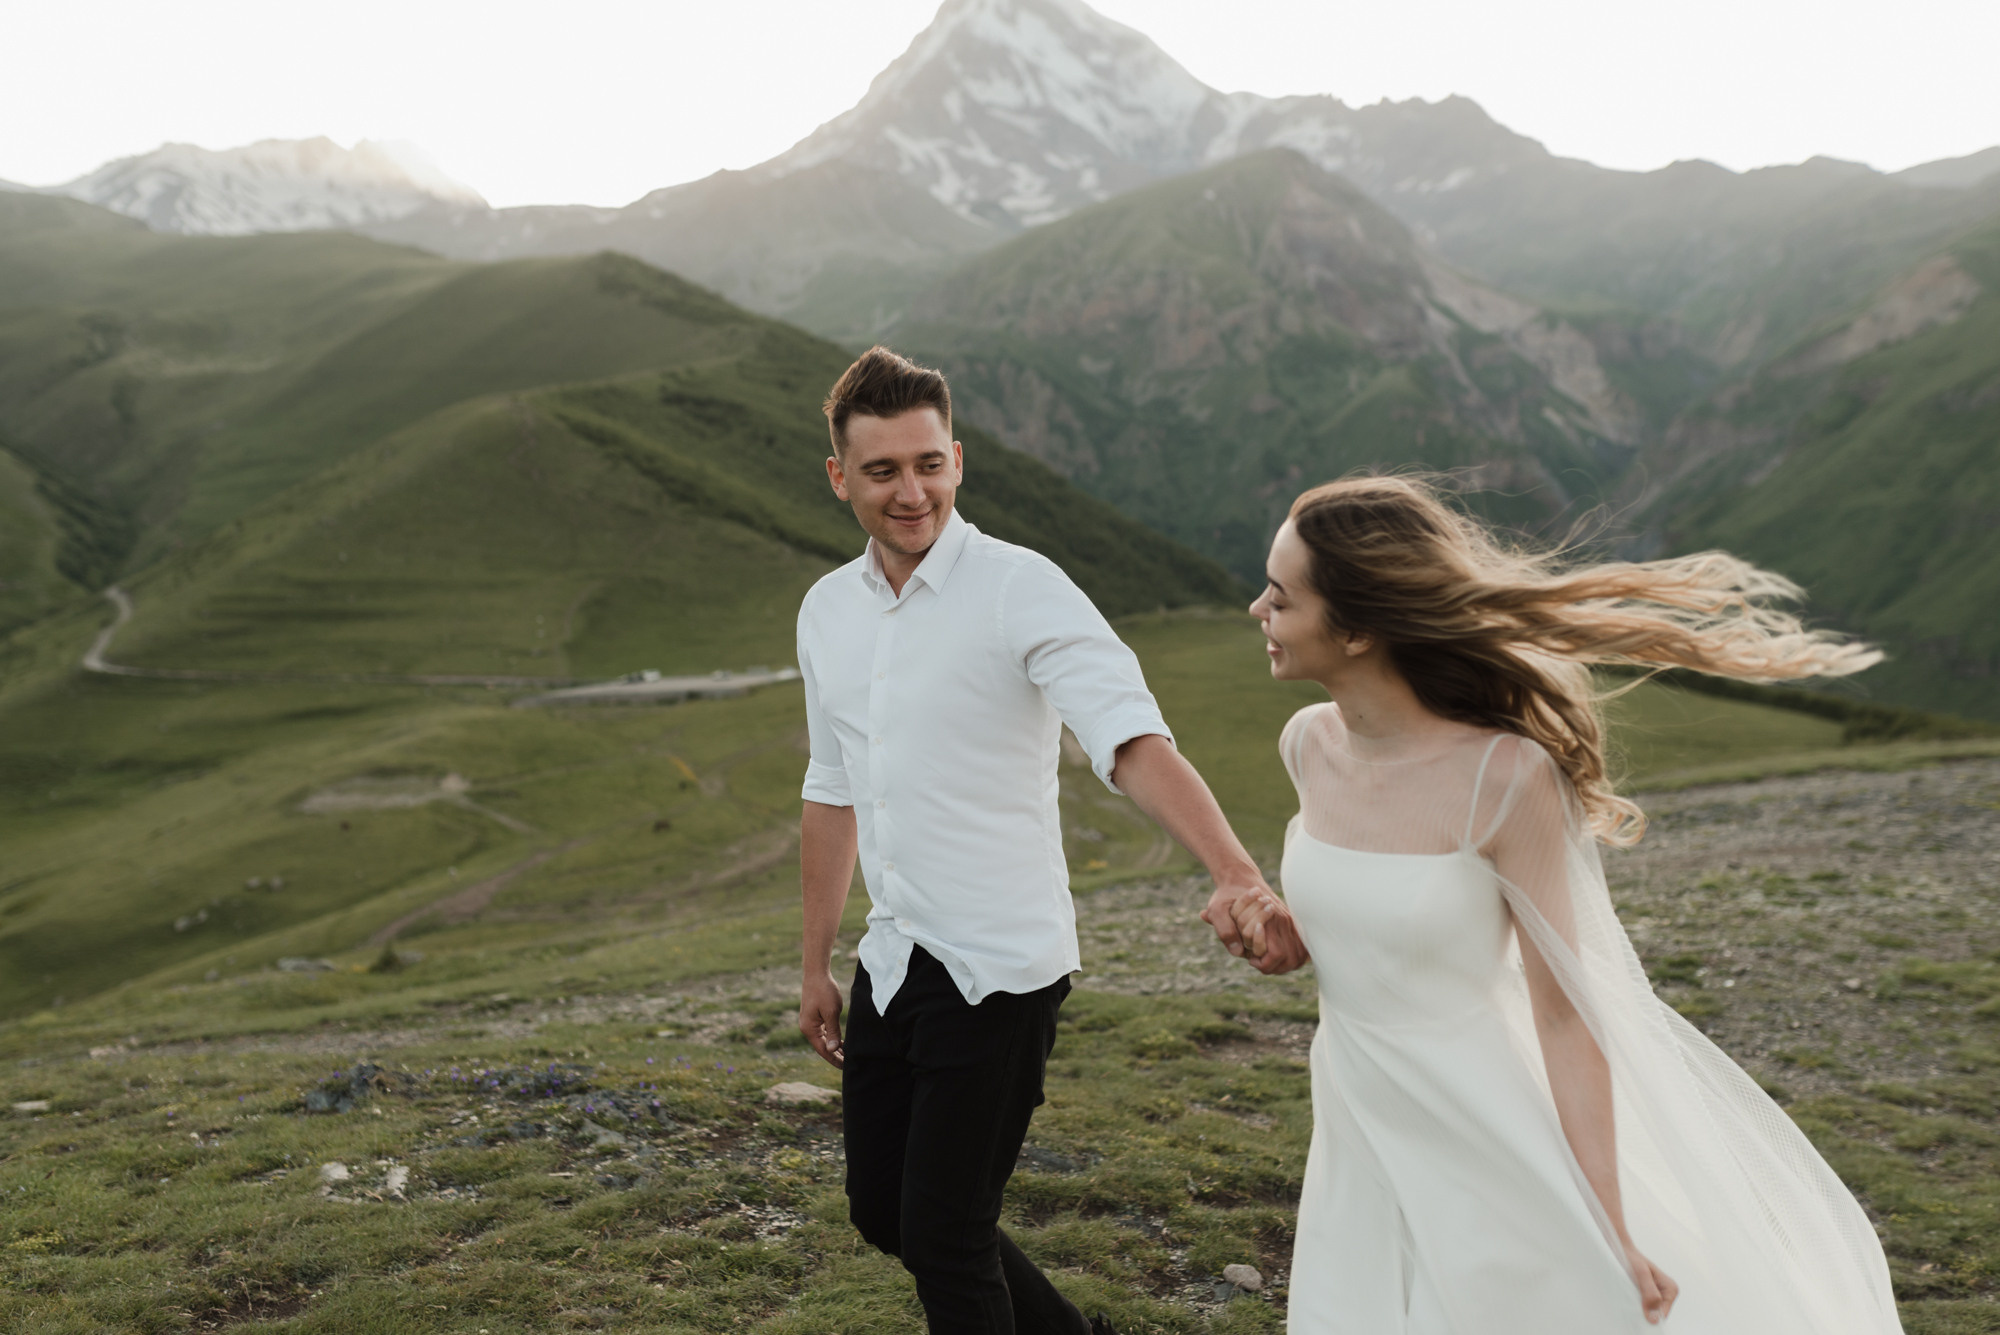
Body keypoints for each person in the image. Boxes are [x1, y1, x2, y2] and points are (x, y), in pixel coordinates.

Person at [1243, 474, 1902, 1334]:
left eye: (1280, 596)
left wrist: (1609, 1223)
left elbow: (1564, 1014)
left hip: (1480, 1131)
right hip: (1358, 1121)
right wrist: (1289, 931)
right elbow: (1367, 915)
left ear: (1359, 629)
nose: (1257, 609)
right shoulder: (1307, 743)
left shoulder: (1506, 778)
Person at [793, 346, 1307, 1335]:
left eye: (929, 464)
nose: (912, 492)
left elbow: (1129, 738)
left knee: (946, 1235)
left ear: (957, 459)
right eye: (882, 471)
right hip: (893, 960)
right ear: (839, 477)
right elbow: (831, 786)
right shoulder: (826, 610)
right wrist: (817, 963)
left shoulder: (1020, 587)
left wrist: (1235, 871)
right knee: (884, 1211)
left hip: (1001, 967)